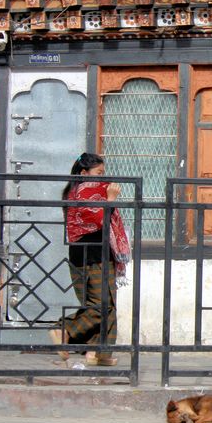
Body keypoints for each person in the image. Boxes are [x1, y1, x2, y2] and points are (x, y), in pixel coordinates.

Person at [49, 152, 130, 366]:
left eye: (104, 173)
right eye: (98, 173)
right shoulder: (82, 192)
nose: (103, 178)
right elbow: (97, 219)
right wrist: (110, 200)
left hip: (97, 251)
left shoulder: (83, 190)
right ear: (84, 173)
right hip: (90, 253)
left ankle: (97, 353)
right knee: (101, 304)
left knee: (109, 303)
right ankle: (65, 329)